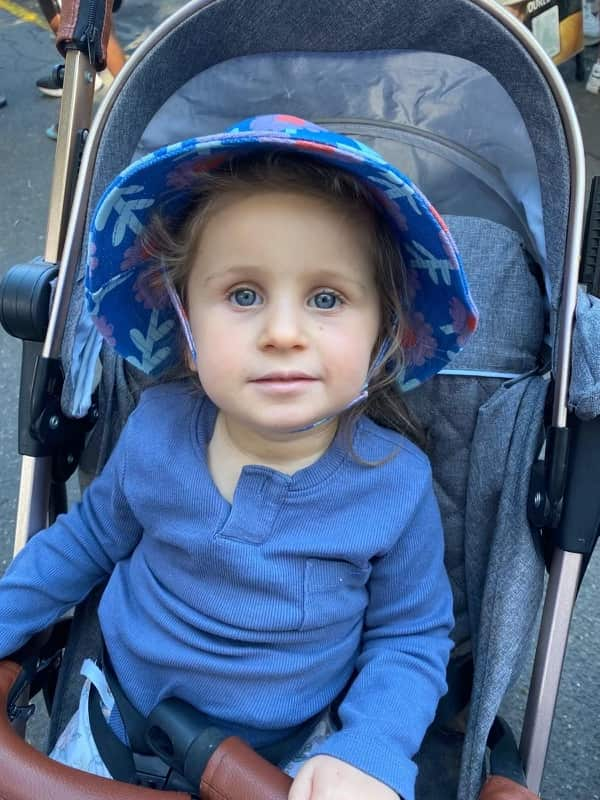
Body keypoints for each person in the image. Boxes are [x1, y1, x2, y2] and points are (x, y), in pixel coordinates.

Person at [0, 115, 478, 800]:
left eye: (326, 298)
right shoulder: (157, 430)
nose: (283, 333)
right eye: (243, 295)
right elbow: (82, 544)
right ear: (187, 328)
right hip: (118, 726)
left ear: (384, 334)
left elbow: (410, 635)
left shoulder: (393, 485)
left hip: (283, 762)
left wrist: (370, 747)